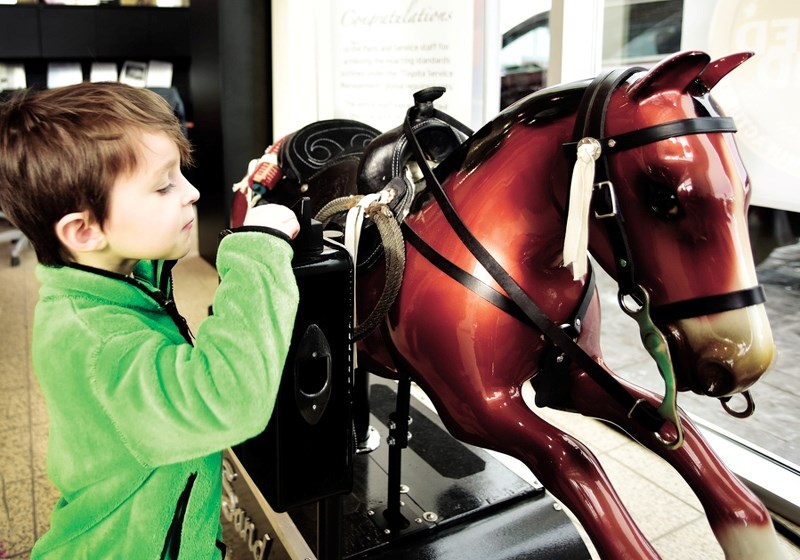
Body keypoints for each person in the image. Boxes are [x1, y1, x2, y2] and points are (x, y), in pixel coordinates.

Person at [0, 82, 300, 559]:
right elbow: (227, 397)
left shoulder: (101, 277)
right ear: (83, 230)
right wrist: (258, 252)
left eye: (180, 174)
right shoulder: (96, 343)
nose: (193, 192)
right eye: (164, 185)